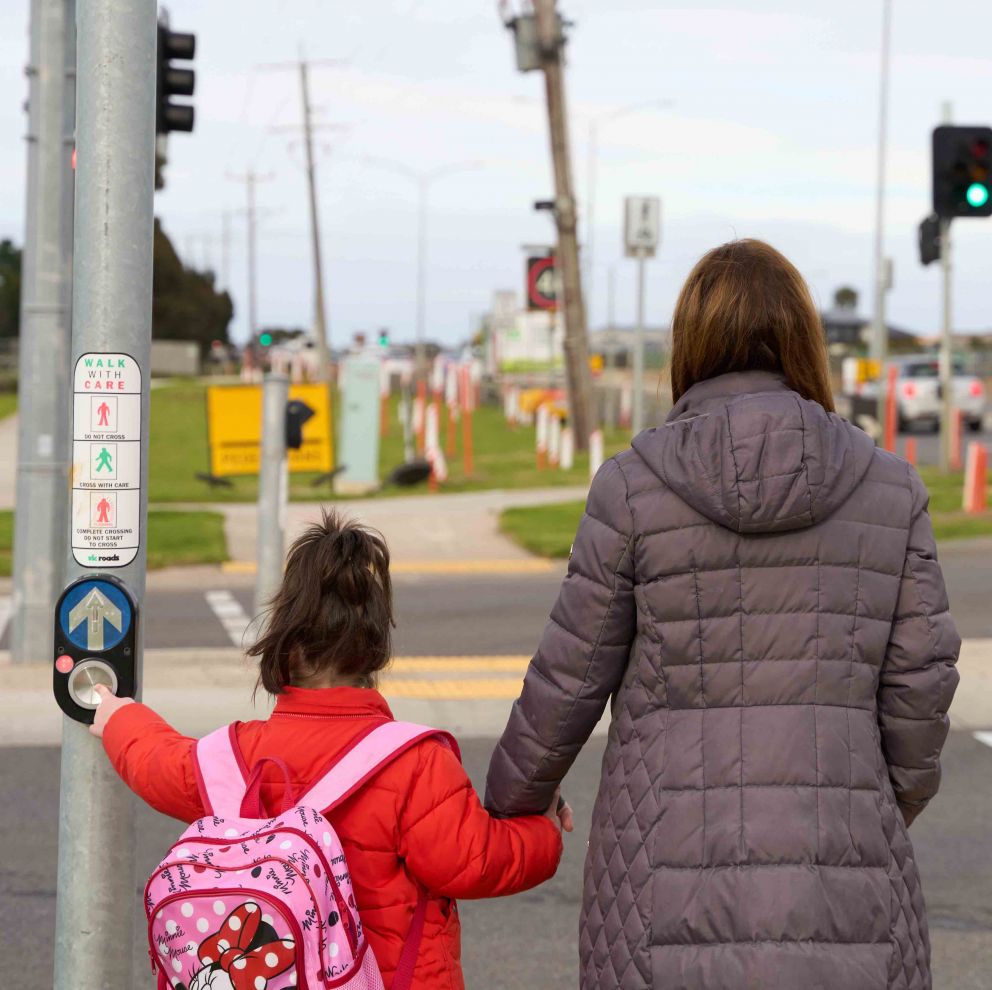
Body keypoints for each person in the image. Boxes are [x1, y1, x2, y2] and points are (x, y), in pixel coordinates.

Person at [485, 239, 960, 990]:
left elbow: (568, 677)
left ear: (691, 343)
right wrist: (869, 804)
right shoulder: (890, 488)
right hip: (847, 883)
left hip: (660, 883)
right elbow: (921, 689)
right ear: (804, 340)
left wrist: (511, 803)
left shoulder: (634, 486)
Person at [91, 511, 569, 990]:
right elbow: (475, 860)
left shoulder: (233, 760)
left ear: (282, 646)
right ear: (376, 650)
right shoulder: (414, 764)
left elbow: (156, 761)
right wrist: (543, 831)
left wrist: (118, 716)